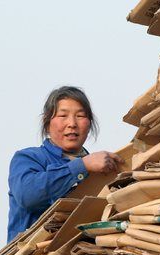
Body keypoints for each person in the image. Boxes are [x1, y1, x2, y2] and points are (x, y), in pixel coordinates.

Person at [7, 86, 123, 242]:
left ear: (89, 123)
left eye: (80, 116)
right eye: (63, 115)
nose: (72, 123)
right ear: (47, 122)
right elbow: (28, 195)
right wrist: (82, 166)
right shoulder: (29, 158)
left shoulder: (101, 167)